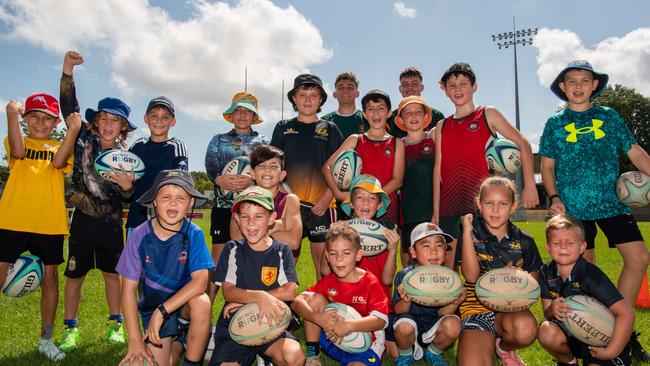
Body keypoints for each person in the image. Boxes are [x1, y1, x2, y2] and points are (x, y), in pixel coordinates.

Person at [540, 60, 650, 360]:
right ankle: (590, 335)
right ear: (562, 87)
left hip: (611, 204)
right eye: (571, 81)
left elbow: (634, 151)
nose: (577, 85)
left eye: (584, 80)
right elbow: (547, 166)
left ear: (594, 85)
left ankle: (620, 330)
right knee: (584, 271)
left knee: (639, 257)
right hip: (574, 208)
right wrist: (554, 196)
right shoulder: (555, 124)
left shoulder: (610, 117)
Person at [58, 50, 138, 351]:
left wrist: (128, 187)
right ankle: (70, 329)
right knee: (75, 275)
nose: (107, 125)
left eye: (115, 121)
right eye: (103, 118)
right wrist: (68, 69)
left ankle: (115, 325)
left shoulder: (126, 158)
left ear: (123, 128)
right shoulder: (82, 140)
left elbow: (127, 196)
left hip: (111, 224)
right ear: (96, 122)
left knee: (112, 275)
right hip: (82, 220)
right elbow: (70, 107)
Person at [434, 62, 539, 266]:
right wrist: (436, 211)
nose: (458, 89)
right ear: (445, 90)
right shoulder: (441, 125)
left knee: (483, 265)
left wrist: (530, 185)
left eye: (463, 84)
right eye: (452, 85)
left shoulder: (487, 114)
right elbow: (437, 168)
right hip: (449, 204)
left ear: (474, 87)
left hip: (481, 203)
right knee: (448, 267)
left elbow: (523, 144)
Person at [0, 93, 80, 361]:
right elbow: (19, 153)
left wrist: (74, 129)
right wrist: (11, 113)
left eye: (47, 118)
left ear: (56, 122)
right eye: (33, 116)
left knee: (50, 281)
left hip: (49, 224)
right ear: (25, 119)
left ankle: (45, 339)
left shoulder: (60, 147)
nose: (40, 123)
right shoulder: (16, 141)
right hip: (12, 220)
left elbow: (59, 164)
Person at [117, 169, 214, 366]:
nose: (173, 202)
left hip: (183, 305)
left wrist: (161, 311)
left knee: (202, 302)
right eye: (166, 197)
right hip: (152, 307)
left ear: (191, 202)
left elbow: (201, 283)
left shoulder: (193, 233)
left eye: (181, 197)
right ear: (154, 201)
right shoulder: (138, 235)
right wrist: (135, 341)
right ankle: (180, 343)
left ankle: (191, 360)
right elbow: (127, 291)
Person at [209, 186, 304, 366]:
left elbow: (290, 290)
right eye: (245, 217)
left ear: (271, 219)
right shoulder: (232, 248)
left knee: (294, 356)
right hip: (238, 324)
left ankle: (267, 356)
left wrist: (256, 300)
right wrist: (260, 297)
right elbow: (228, 292)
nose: (251, 223)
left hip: (270, 321)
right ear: (237, 219)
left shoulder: (281, 250)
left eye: (258, 216)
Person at [457, 176, 542, 366]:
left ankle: (504, 347)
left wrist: (519, 280)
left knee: (526, 329)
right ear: (479, 204)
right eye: (489, 203)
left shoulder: (525, 241)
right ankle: (483, 340)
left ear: (513, 206)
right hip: (477, 309)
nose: (495, 210)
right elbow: (470, 276)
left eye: (503, 204)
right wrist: (466, 232)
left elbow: (533, 286)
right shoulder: (470, 233)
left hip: (510, 309)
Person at [271, 73, 344, 278]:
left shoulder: (329, 129)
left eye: (314, 95)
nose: (308, 99)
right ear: (294, 98)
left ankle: (324, 308)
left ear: (321, 99)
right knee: (284, 265)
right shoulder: (283, 127)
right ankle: (285, 308)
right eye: (302, 94)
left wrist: (327, 197)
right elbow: (273, 166)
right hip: (288, 206)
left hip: (321, 206)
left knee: (324, 268)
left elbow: (340, 170)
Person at [538, 214, 635, 366]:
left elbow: (627, 313)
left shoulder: (590, 275)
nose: (563, 247)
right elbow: (546, 312)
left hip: (604, 339)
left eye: (570, 242)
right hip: (574, 333)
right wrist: (552, 309)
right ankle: (569, 362)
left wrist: (612, 350)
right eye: (557, 243)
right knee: (546, 331)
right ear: (548, 247)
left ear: (583, 247)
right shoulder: (545, 272)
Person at [320, 174, 400, 357]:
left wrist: (393, 250)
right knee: (317, 309)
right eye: (360, 197)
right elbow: (325, 271)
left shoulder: (385, 234)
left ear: (379, 205)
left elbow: (387, 280)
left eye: (372, 198)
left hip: (376, 307)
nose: (366, 203)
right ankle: (313, 352)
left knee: (396, 352)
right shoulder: (341, 231)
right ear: (350, 203)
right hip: (347, 302)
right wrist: (330, 240)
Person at [292, 225, 390, 366]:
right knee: (314, 300)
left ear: (358, 255)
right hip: (333, 338)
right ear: (327, 257)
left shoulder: (370, 282)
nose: (339, 259)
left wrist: (349, 325)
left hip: (365, 345)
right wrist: (317, 318)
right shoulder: (328, 281)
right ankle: (313, 357)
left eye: (346, 253)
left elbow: (381, 320)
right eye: (333, 253)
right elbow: (296, 302)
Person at [205, 91, 269, 300]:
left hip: (253, 207)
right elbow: (211, 166)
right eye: (238, 110)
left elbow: (268, 169)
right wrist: (219, 179)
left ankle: (249, 306)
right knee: (218, 259)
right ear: (231, 115)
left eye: (247, 111)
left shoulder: (262, 141)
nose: (242, 115)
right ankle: (204, 309)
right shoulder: (218, 140)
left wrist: (253, 180)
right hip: (224, 207)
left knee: (250, 258)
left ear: (254, 116)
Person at [323, 89, 404, 226]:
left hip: (385, 209)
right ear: (364, 115)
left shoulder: (397, 143)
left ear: (389, 113)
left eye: (381, 108)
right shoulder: (355, 140)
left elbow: (398, 180)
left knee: (384, 246)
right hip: (357, 208)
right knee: (354, 246)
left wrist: (374, 199)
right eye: (370, 109)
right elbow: (327, 167)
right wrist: (339, 194)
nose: (376, 112)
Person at [393, 222, 464, 366]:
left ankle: (433, 352)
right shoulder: (405, 276)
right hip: (409, 326)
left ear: (445, 250)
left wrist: (455, 302)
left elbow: (443, 313)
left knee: (453, 324)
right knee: (403, 327)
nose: (433, 251)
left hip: (434, 326)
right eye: (426, 246)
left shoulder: (449, 279)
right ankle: (406, 354)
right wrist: (406, 300)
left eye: (439, 246)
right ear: (413, 251)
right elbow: (398, 310)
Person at [126, 95, 188, 233]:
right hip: (137, 219)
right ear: (146, 119)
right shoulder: (137, 146)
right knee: (134, 255)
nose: (159, 120)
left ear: (173, 122)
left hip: (166, 220)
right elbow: (125, 181)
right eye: (154, 116)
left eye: (165, 117)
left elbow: (181, 180)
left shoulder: (177, 146)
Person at [229, 145, 302, 260]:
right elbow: (238, 238)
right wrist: (277, 225)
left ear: (282, 175)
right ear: (252, 173)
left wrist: (254, 231)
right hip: (248, 266)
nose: (267, 170)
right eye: (261, 165)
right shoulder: (241, 200)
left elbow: (293, 241)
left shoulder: (290, 200)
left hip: (279, 271)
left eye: (273, 166)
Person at [395, 94, 435, 267]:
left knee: (440, 258)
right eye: (408, 113)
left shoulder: (435, 138)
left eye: (417, 112)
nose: (413, 116)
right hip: (409, 213)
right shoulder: (398, 145)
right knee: (411, 264)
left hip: (435, 212)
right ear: (401, 120)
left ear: (425, 117)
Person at [386, 67, 444, 139]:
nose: (410, 87)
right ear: (400, 89)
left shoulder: (436, 116)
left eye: (414, 84)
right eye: (405, 84)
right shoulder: (391, 118)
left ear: (421, 87)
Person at [322, 72, 368, 138]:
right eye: (341, 88)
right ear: (334, 94)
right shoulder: (324, 122)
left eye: (350, 88)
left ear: (357, 93)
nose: (345, 90)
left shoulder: (368, 119)